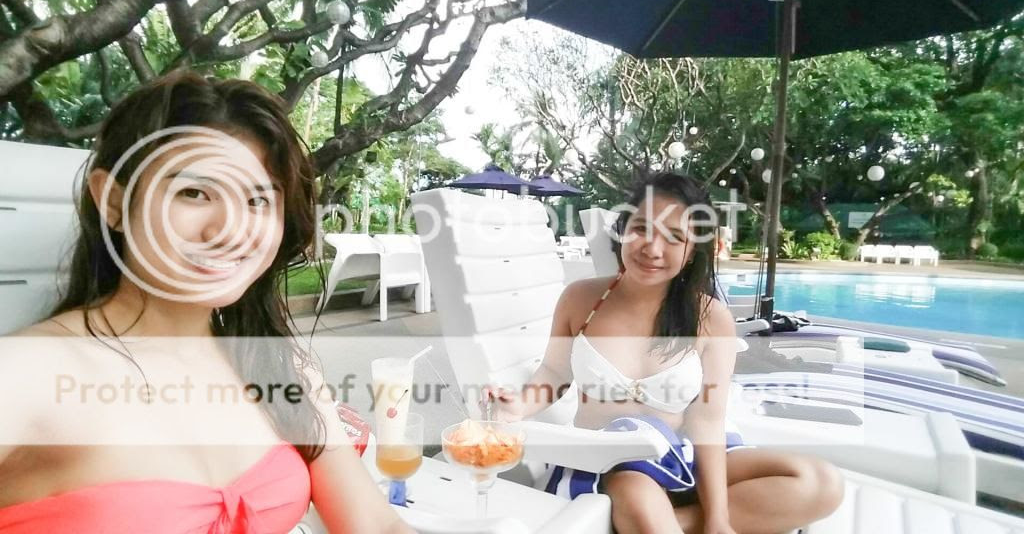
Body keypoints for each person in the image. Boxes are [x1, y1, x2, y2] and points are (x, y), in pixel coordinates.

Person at [0, 72, 411, 533]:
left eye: (258, 201)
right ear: (113, 202)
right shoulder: (27, 372)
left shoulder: (279, 367)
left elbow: (374, 524)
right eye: (194, 193)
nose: (230, 230)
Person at [487, 173, 844, 534]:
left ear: (692, 252)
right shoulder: (581, 299)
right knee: (639, 494)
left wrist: (718, 519)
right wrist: (517, 406)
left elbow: (707, 420)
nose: (653, 249)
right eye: (642, 228)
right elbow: (554, 372)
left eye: (675, 237)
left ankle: (664, 525)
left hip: (683, 453)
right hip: (610, 460)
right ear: (623, 230)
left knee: (820, 482)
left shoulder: (710, 318)